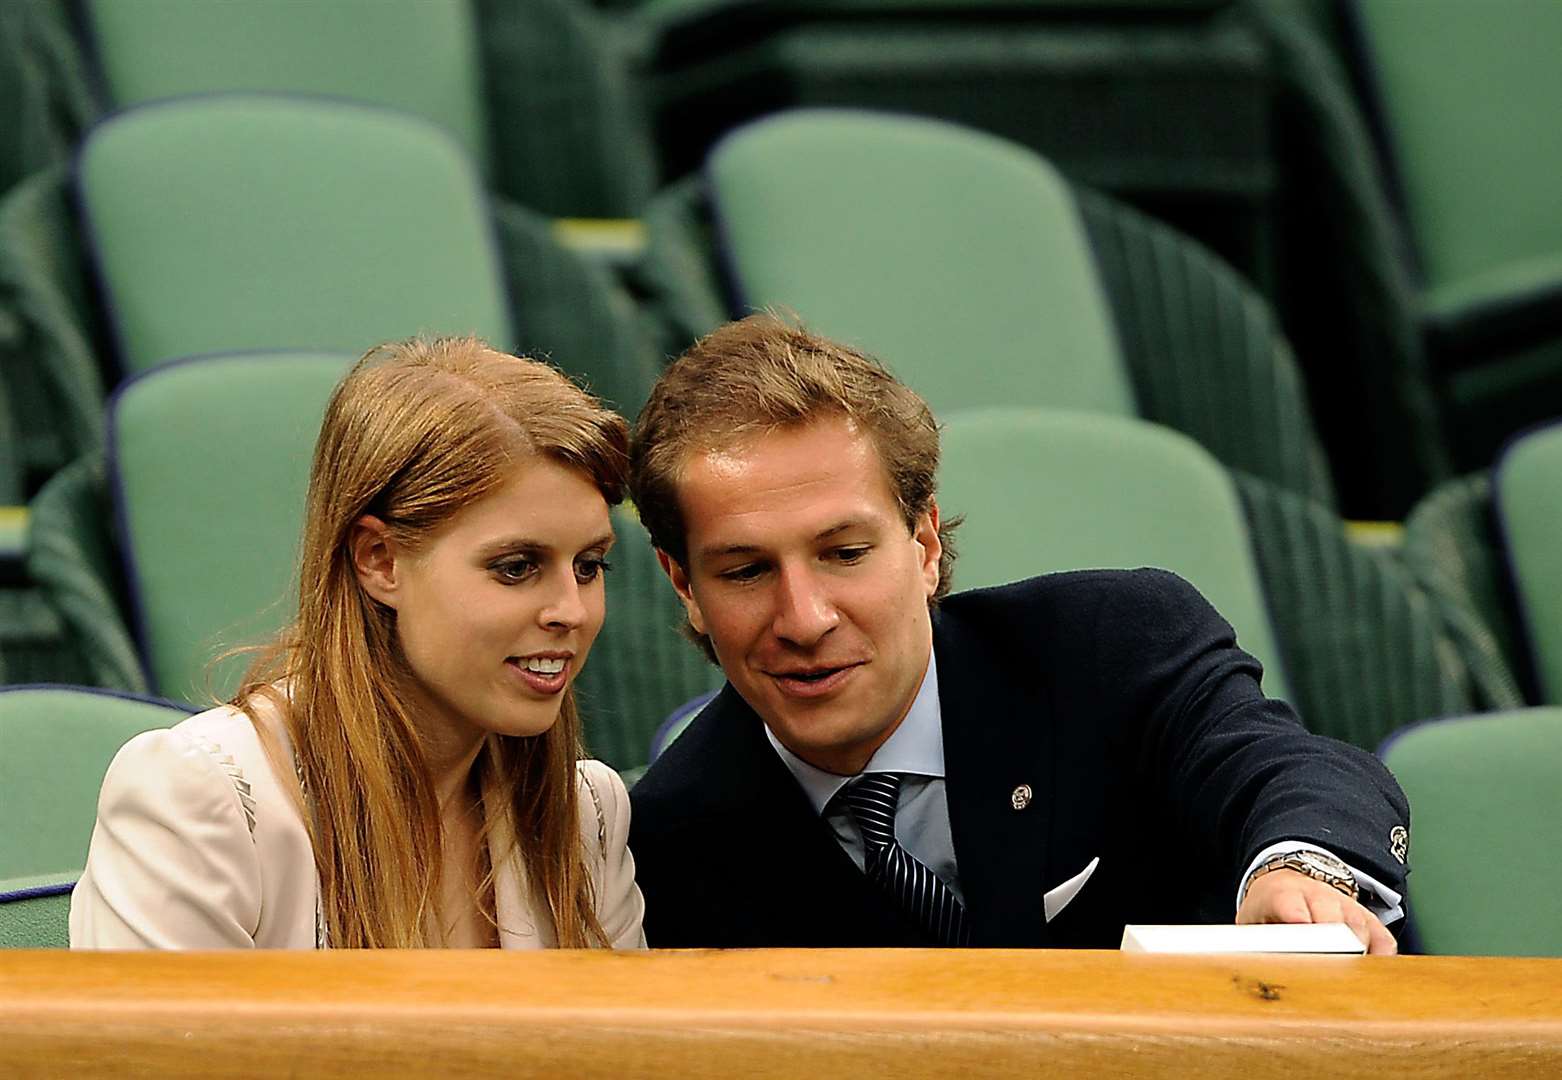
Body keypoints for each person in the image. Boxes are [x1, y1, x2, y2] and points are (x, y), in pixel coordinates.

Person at [627, 314, 1409, 953]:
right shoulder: (671, 840)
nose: (804, 619)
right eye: (745, 572)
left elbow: (1290, 770)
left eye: (845, 554)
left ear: (925, 545)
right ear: (684, 586)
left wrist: (1297, 876)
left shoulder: (1110, 650)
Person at [71, 337, 645, 949]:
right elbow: (157, 1049)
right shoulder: (201, 799)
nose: (571, 610)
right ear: (380, 560)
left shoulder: (589, 813)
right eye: (515, 567)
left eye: (589, 566)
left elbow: (631, 1049)